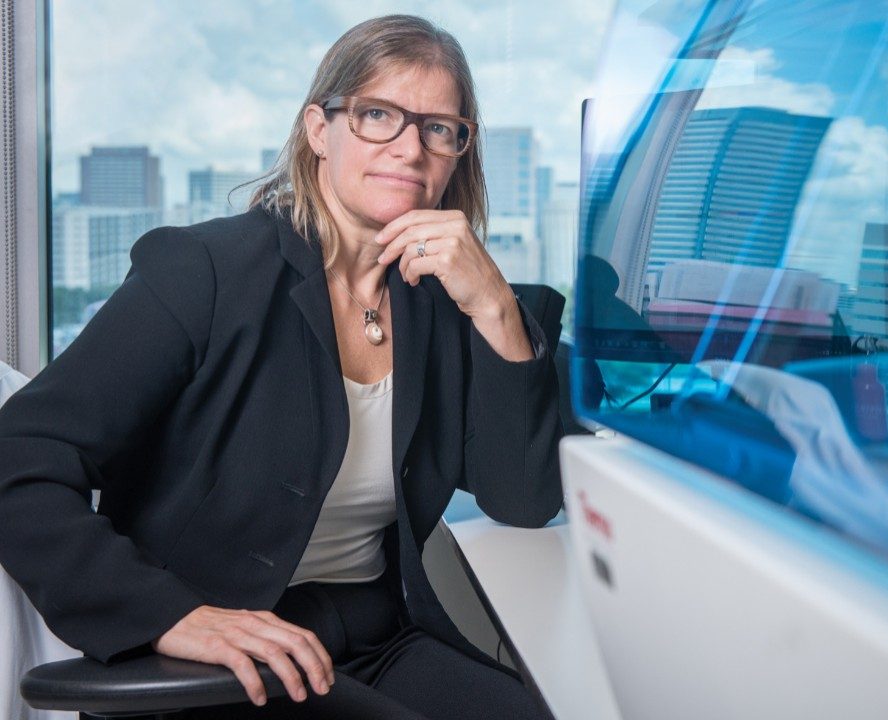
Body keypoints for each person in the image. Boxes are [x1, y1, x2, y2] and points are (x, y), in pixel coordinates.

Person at [0, 15, 561, 719]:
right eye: (378, 115)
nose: (410, 147)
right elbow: (17, 457)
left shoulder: (443, 303)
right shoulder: (204, 271)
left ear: (458, 155)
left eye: (439, 128)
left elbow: (523, 499)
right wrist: (170, 616)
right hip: (222, 659)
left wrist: (496, 308)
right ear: (319, 131)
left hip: (373, 638)